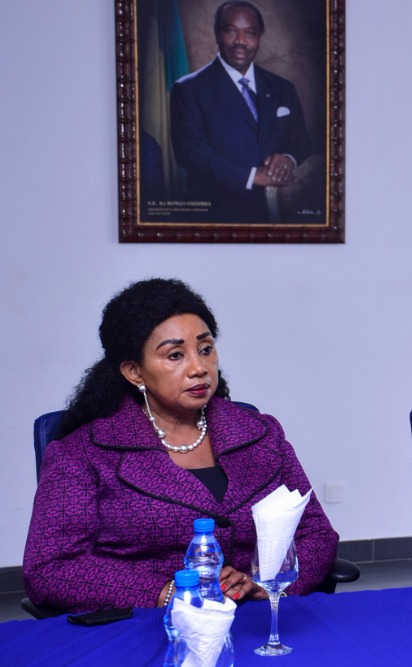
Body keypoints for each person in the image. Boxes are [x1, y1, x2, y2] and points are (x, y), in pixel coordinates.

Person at [23, 278, 338, 613]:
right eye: (175, 355)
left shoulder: (260, 433)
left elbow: (317, 534)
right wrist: (168, 591)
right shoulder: (82, 453)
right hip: (147, 623)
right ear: (134, 372)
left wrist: (263, 581)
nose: (199, 368)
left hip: (259, 618)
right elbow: (50, 568)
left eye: (205, 349)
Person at [170, 1, 311, 222]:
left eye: (250, 33)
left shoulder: (283, 88)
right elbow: (191, 153)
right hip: (217, 216)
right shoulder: (188, 89)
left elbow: (302, 142)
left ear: (259, 37)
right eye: (231, 31)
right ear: (217, 34)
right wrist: (252, 177)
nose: (241, 41)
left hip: (280, 217)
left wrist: (288, 160)